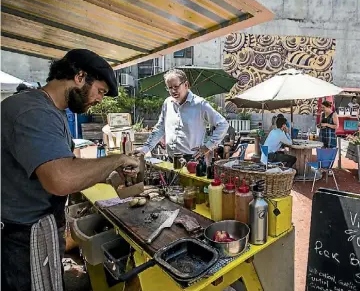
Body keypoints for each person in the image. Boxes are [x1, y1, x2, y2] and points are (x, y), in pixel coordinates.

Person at [1, 49, 140, 291]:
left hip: (32, 227)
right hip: (21, 235)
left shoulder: (52, 110)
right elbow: (62, 178)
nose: (99, 99)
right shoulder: (35, 112)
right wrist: (117, 159)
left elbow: (68, 164)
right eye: (100, 91)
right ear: (79, 76)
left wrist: (107, 174)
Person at [136, 69, 229, 161]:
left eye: (176, 87)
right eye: (169, 88)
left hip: (192, 159)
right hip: (170, 158)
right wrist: (145, 149)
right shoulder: (167, 103)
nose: (173, 91)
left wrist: (208, 146)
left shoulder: (200, 104)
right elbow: (160, 128)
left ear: (186, 85)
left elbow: (223, 124)